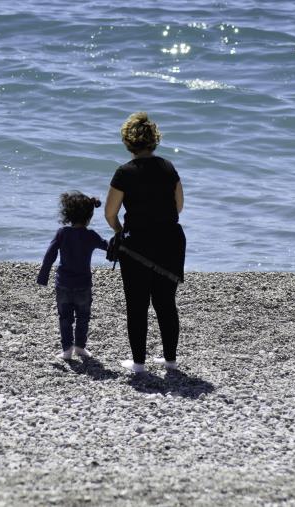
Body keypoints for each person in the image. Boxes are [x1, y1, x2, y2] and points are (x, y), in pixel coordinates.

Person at [105, 112, 186, 374]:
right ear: (154, 140)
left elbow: (110, 213)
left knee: (137, 305)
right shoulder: (168, 167)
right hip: (170, 242)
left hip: (137, 246)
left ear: (128, 142)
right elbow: (179, 206)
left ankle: (139, 363)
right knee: (166, 303)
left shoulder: (124, 172)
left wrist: (121, 230)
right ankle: (170, 360)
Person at [37, 192, 108, 360]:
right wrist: (121, 247)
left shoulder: (63, 233)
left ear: (68, 214)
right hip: (83, 285)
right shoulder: (91, 235)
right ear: (89, 216)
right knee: (83, 317)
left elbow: (50, 254)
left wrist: (43, 275)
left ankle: (67, 349)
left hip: (63, 284)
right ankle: (80, 347)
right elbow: (107, 247)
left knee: (65, 317)